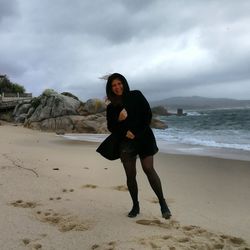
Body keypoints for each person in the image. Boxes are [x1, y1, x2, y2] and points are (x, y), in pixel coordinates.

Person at [103, 73, 171, 219]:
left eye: (119, 83)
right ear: (110, 88)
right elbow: (111, 127)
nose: (117, 87)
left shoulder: (136, 95)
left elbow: (147, 115)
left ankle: (162, 202)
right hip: (126, 142)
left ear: (124, 83)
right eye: (114, 85)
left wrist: (136, 133)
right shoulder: (111, 107)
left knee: (148, 168)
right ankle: (135, 205)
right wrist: (121, 123)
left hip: (144, 137)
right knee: (130, 175)